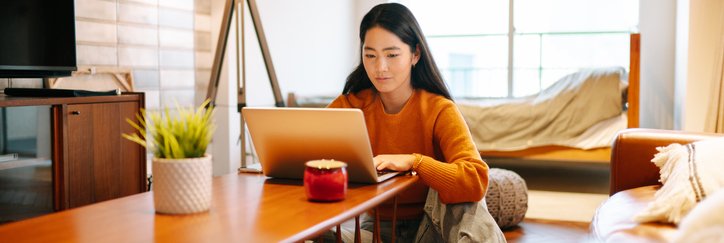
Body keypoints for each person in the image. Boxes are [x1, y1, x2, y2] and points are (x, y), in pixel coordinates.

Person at [326, 3, 504, 242]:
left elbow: (476, 181)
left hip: (433, 225)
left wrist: (415, 162)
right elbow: (304, 152)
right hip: (376, 229)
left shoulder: (439, 109)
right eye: (370, 55)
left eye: (392, 55)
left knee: (468, 205)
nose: (380, 67)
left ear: (415, 54)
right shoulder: (349, 106)